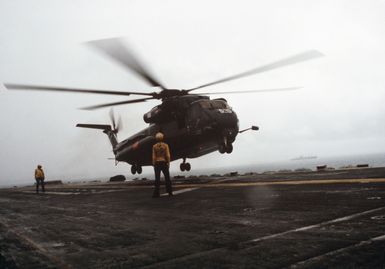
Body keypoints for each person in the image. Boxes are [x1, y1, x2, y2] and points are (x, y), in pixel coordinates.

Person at [152, 132, 172, 197]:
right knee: (167, 178)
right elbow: (168, 155)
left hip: (157, 163)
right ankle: (170, 192)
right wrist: (168, 163)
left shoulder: (154, 146)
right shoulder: (165, 145)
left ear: (156, 138)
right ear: (162, 138)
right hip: (164, 162)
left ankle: (156, 193)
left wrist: (154, 164)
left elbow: (154, 157)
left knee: (157, 178)